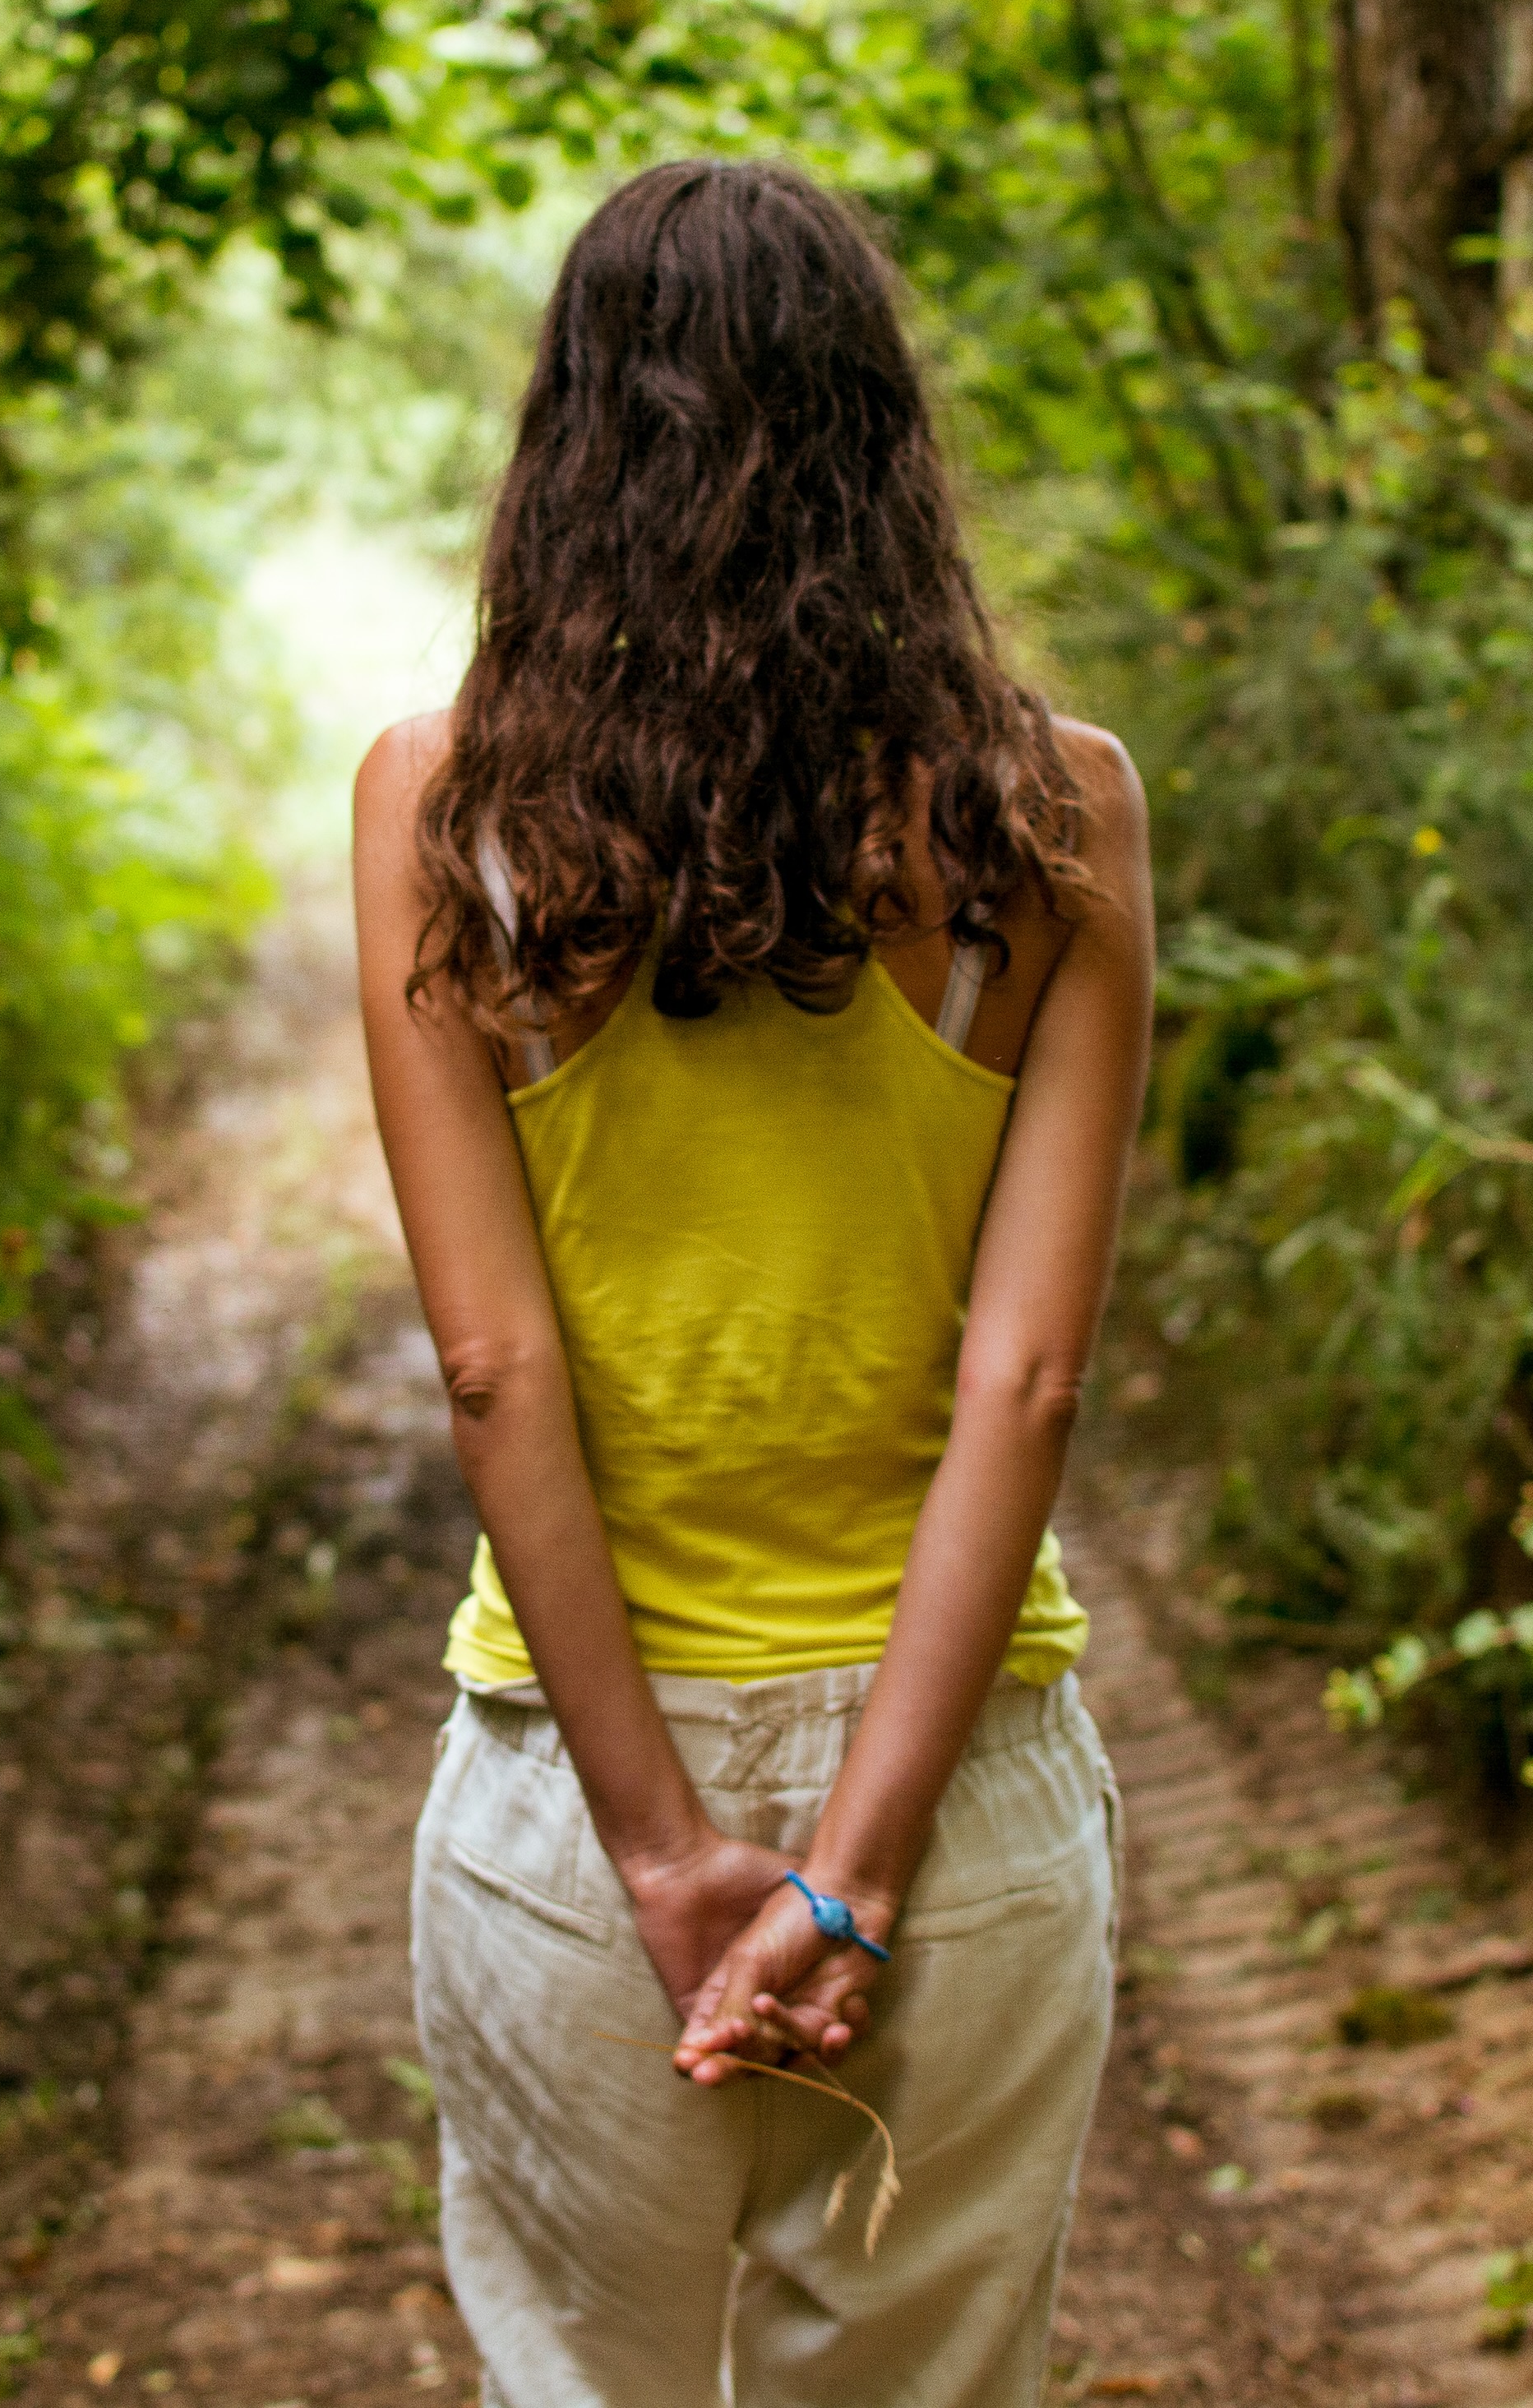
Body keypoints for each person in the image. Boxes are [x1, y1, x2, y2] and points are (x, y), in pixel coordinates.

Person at [354, 155, 1157, 2408]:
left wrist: (668, 1853)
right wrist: (859, 1874)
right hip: (965, 1786)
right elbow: (1030, 1380)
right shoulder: (1052, 814)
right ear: (881, 445)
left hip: (570, 1805)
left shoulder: (448, 818)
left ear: (572, 441)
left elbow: (496, 1368)